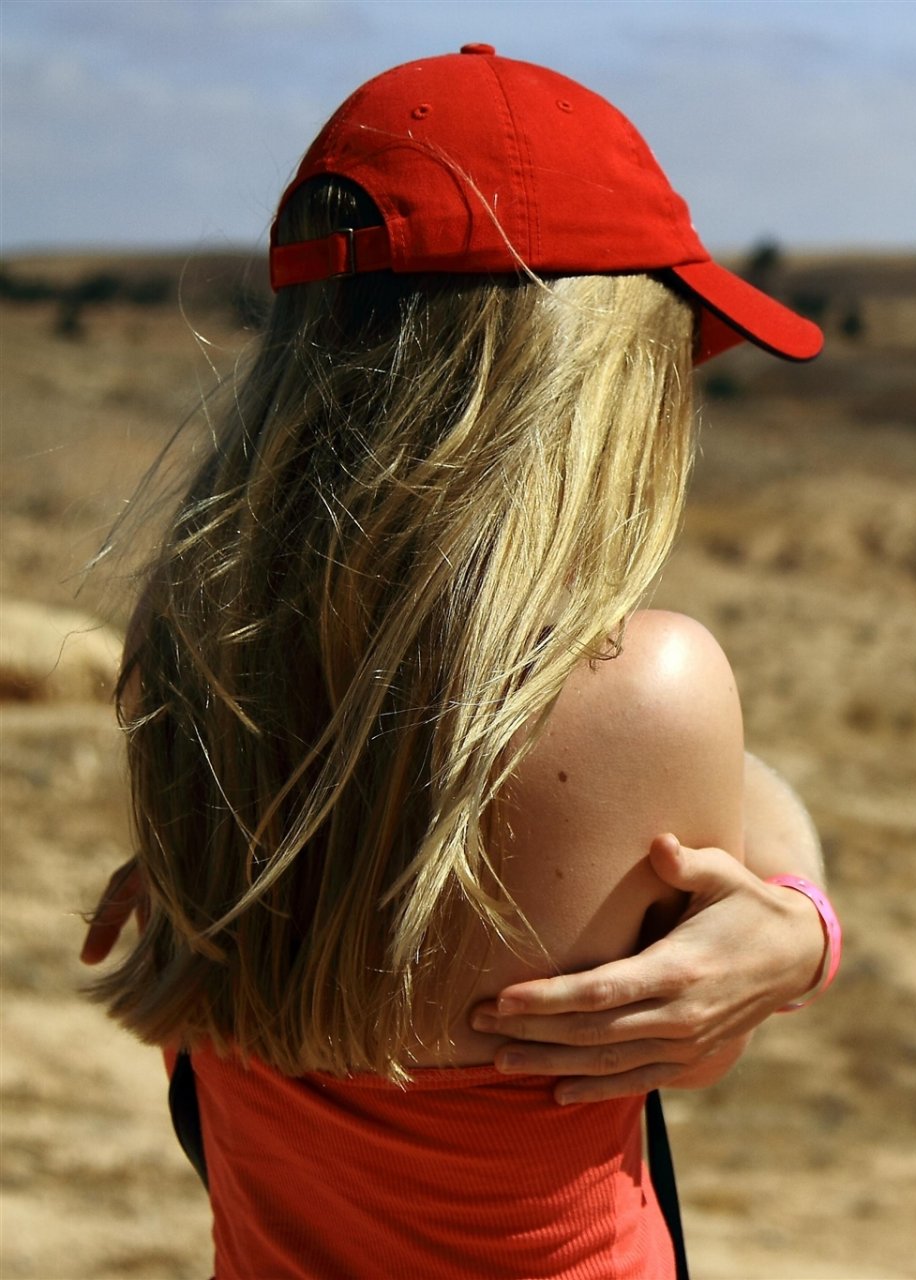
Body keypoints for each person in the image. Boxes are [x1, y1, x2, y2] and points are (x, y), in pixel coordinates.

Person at [75, 44, 840, 1279]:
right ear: (580, 373)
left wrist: (791, 920)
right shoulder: (650, 685)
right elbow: (699, 1039)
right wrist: (803, 924)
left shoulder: (200, 665)